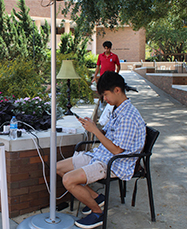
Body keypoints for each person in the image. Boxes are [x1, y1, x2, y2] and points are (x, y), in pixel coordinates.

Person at [57, 71, 146, 229]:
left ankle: (97, 212)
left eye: (105, 95)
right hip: (101, 155)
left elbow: (117, 151)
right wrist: (91, 125)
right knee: (58, 168)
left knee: (68, 180)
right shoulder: (118, 109)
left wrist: (95, 131)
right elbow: (109, 136)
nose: (104, 99)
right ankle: (96, 197)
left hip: (114, 163)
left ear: (117, 90)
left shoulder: (128, 116)